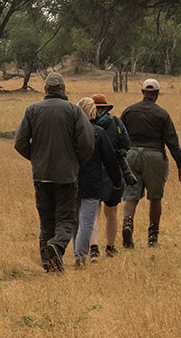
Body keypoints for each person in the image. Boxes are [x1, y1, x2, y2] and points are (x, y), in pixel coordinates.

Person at [14, 72, 95, 272]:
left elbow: (20, 142)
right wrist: (76, 161)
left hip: (41, 175)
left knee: (46, 221)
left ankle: (49, 265)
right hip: (66, 176)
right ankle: (57, 247)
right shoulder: (74, 111)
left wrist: (37, 159)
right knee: (66, 218)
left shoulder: (32, 110)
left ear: (45, 90)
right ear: (64, 89)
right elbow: (87, 142)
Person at [119, 78, 181, 248]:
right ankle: (152, 238)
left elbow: (119, 136)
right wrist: (180, 164)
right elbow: (172, 141)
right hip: (154, 155)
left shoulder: (129, 111)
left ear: (142, 92)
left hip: (132, 154)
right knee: (155, 197)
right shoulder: (162, 114)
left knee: (130, 195)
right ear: (156, 94)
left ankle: (128, 224)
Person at [72, 98, 136, 268]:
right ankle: (109, 246)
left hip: (75, 179)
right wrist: (117, 181)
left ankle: (90, 250)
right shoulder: (110, 125)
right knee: (110, 213)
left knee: (88, 217)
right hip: (101, 177)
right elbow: (122, 149)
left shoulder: (73, 130)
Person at [87, 93, 131, 260]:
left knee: (94, 212)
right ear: (106, 108)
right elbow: (127, 144)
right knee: (111, 212)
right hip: (114, 174)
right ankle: (110, 247)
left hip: (93, 172)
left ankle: (94, 249)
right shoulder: (116, 122)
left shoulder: (86, 125)